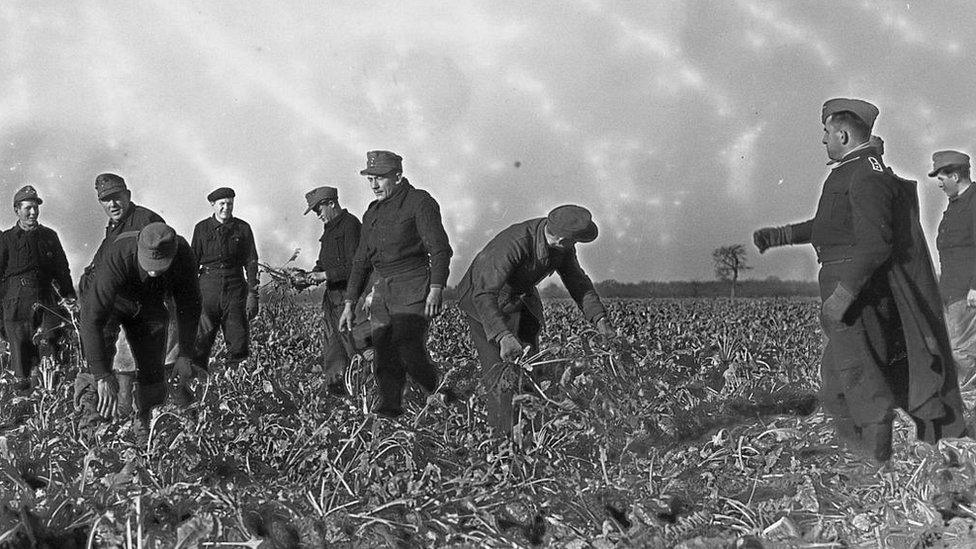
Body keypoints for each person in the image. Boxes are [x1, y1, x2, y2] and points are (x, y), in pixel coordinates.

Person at [752, 98, 969, 463]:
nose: (823, 141)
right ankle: (856, 460)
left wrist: (842, 297)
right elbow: (833, 226)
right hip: (850, 291)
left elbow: (874, 245)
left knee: (861, 375)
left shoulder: (865, 175)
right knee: (837, 381)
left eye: (826, 133)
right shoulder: (854, 170)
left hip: (858, 297)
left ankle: (874, 463)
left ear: (843, 134)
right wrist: (781, 235)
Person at [456, 205, 614, 432]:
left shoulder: (562, 247)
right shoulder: (514, 244)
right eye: (574, 240)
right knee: (500, 377)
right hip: (483, 304)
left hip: (520, 300)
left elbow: (578, 283)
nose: (575, 245)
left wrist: (600, 321)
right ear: (562, 239)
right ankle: (501, 442)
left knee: (532, 369)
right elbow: (483, 293)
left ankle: (530, 433)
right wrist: (502, 335)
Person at [339, 150, 453, 417]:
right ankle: (390, 407)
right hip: (382, 290)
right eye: (370, 179)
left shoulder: (419, 202)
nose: (374, 185)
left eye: (380, 178)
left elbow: (439, 250)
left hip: (414, 285)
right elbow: (360, 262)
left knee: (407, 346)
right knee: (383, 348)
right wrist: (349, 302)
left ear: (398, 176)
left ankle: (439, 394)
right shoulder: (372, 213)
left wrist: (436, 288)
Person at [76, 222, 201, 439]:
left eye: (160, 264)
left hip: (150, 303)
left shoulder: (183, 256)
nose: (153, 270)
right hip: (112, 302)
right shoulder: (118, 254)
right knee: (97, 365)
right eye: (149, 262)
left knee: (153, 369)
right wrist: (102, 374)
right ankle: (91, 431)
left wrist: (186, 354)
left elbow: (189, 307)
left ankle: (146, 430)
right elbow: (91, 317)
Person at [78, 173, 165, 415]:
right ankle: (99, 417)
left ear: (128, 196)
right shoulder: (114, 227)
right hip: (115, 303)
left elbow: (159, 261)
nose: (112, 204)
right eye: (106, 200)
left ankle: (139, 420)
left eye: (117, 198)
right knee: (100, 363)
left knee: (146, 370)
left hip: (141, 304)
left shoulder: (146, 220)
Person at [0, 186, 75, 393]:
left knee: (49, 344)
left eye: (36, 208)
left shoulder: (50, 236)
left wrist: (69, 295)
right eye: (28, 208)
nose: (33, 213)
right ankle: (22, 406)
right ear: (17, 210)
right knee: (20, 352)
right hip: (15, 303)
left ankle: (49, 400)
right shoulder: (5, 239)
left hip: (46, 299)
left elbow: (62, 269)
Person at [301, 186, 366, 394]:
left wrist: (325, 275)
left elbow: (357, 266)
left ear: (331, 203)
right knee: (333, 353)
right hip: (332, 301)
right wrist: (309, 276)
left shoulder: (351, 225)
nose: (317, 215)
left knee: (356, 351)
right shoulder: (329, 230)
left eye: (318, 210)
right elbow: (323, 263)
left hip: (350, 299)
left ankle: (364, 397)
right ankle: (337, 400)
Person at [191, 187, 259, 372]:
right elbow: (192, 264)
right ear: (213, 205)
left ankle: (237, 384)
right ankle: (196, 385)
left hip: (235, 287)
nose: (226, 208)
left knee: (238, 341)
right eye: (222, 204)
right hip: (207, 289)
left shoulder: (243, 228)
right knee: (200, 340)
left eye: (229, 203)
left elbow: (251, 262)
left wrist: (252, 293)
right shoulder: (201, 229)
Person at [928, 150, 976, 386]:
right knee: (953, 349)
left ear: (955, 176)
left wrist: (975, 287)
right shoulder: (956, 205)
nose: (939, 184)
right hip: (951, 291)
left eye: (941, 178)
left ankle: (967, 406)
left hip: (967, 294)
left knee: (962, 351)